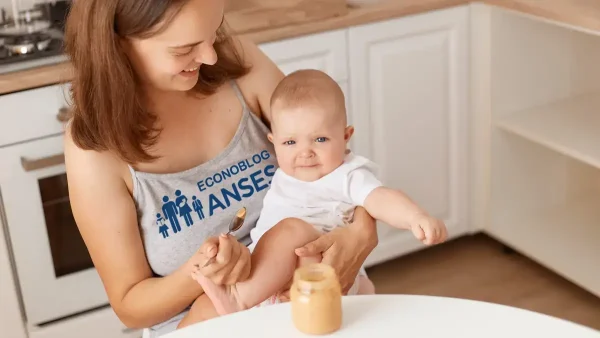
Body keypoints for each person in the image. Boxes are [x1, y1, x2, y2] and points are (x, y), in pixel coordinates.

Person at [62, 0, 380, 336]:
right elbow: (130, 306)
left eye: (213, 33)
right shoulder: (95, 147)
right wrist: (203, 271)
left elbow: (335, 163)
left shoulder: (238, 63)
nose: (210, 56)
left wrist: (361, 234)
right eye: (185, 48)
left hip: (309, 303)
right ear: (119, 44)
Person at [188, 69, 448, 318]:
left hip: (324, 272)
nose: (305, 152)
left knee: (293, 231)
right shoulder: (286, 174)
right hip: (270, 282)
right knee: (206, 306)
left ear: (346, 136)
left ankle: (238, 298)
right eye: (290, 142)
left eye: (320, 139)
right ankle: (245, 296)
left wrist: (416, 217)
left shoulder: (347, 175)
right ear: (274, 142)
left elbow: (381, 197)